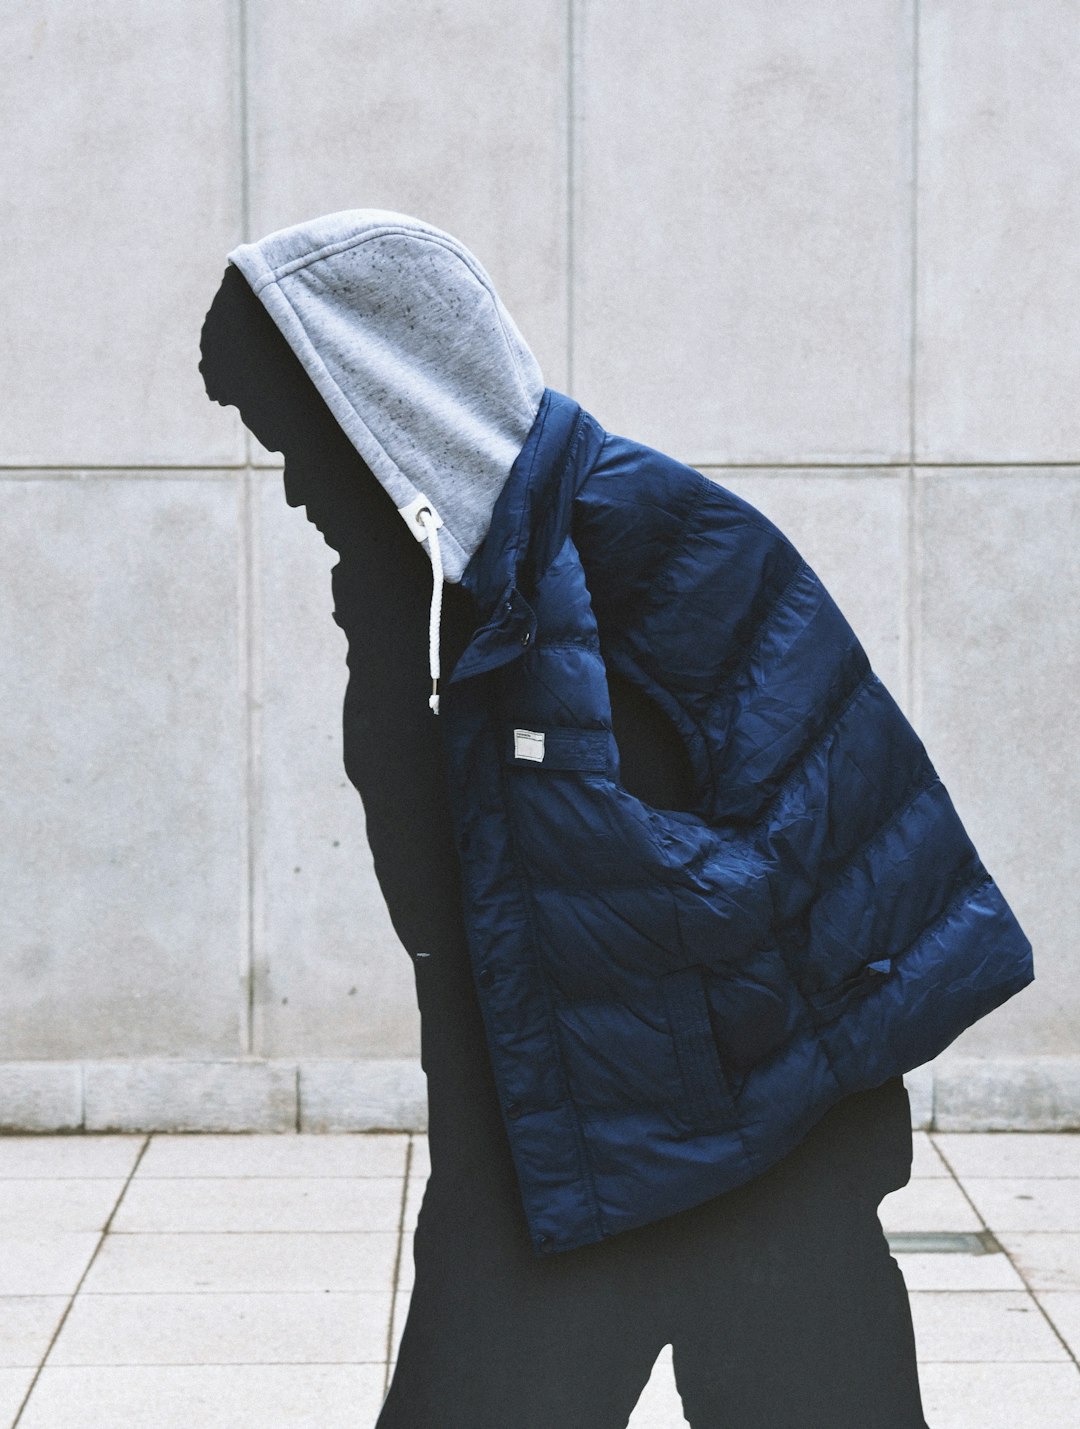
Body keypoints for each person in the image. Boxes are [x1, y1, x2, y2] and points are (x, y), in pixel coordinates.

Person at [200, 217, 930, 1428]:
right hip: (556, 1144)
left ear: (390, 404)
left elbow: (833, 850)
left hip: (745, 1160)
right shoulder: (444, 597)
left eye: (300, 443)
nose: (291, 486)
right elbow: (464, 897)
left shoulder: (647, 549)